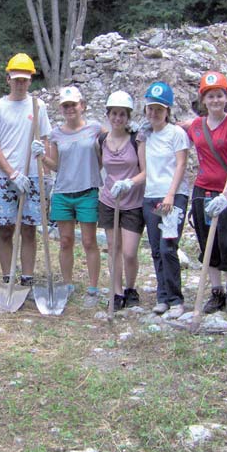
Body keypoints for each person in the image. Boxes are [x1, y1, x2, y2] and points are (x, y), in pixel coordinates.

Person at [0, 53, 51, 286]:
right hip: (4, 177)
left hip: (32, 174)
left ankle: (27, 277)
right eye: (16, 79)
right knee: (5, 229)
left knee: (30, 229)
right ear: (8, 78)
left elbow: (45, 138)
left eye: (25, 79)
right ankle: (7, 275)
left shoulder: (38, 105)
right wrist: (11, 172)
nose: (20, 83)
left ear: (31, 80)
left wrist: (42, 152)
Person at [34, 86, 102, 305]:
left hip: (87, 190)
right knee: (65, 241)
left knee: (90, 241)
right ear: (61, 108)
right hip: (63, 192)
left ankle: (93, 287)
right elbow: (55, 165)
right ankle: (67, 283)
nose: (70, 109)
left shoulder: (95, 129)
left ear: (82, 105)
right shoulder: (56, 133)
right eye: (65, 105)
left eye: (73, 104)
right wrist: (42, 156)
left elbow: (105, 155)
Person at [187, 72, 227, 315]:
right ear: (203, 100)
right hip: (202, 190)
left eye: (219, 95)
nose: (215, 100)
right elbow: (179, 130)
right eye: (210, 96)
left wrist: (226, 194)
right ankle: (216, 291)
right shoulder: (196, 126)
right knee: (207, 241)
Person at [139, 82, 190, 319]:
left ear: (167, 110)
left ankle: (176, 299)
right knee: (156, 250)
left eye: (159, 109)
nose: (154, 113)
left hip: (173, 196)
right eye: (150, 108)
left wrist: (171, 194)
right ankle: (162, 296)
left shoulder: (177, 134)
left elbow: (181, 164)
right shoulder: (146, 135)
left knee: (168, 247)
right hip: (150, 196)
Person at [100, 91, 146, 310]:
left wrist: (129, 182)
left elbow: (146, 172)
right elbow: (99, 167)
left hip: (133, 202)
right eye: (114, 114)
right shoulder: (101, 140)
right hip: (109, 201)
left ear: (128, 117)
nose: (118, 118)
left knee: (129, 252)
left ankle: (130, 287)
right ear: (108, 115)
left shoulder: (137, 140)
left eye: (122, 114)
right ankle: (116, 291)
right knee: (113, 247)